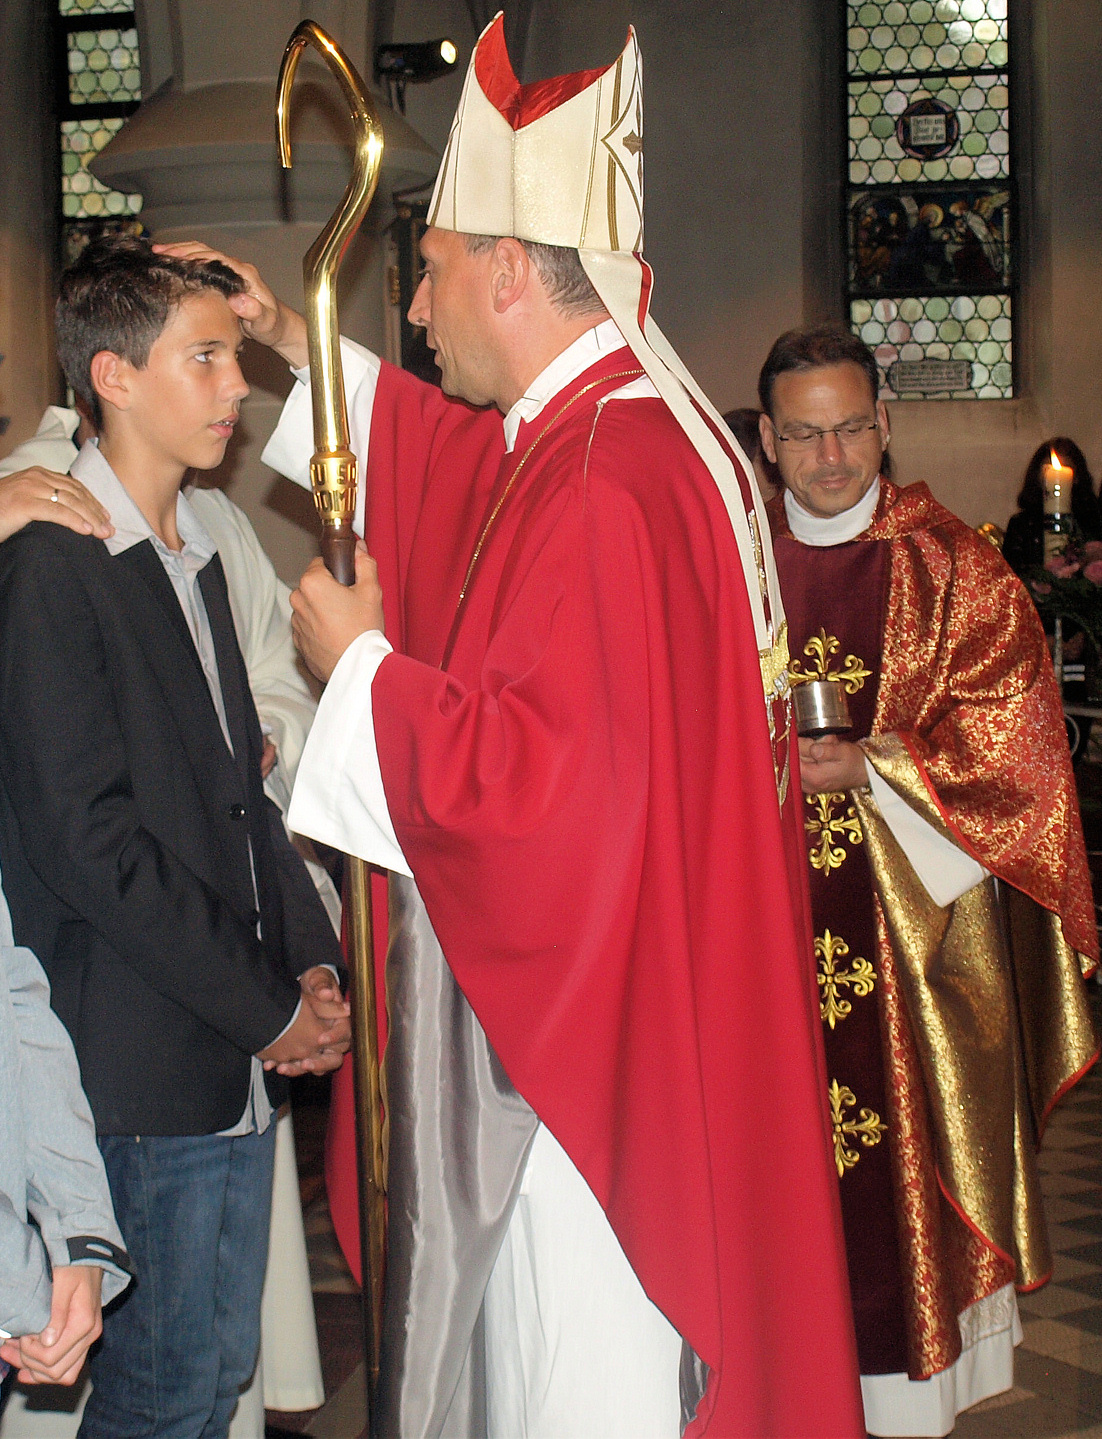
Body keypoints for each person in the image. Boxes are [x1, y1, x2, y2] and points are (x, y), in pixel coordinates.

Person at [165, 18, 865, 1439]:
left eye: (421, 276)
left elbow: (549, 798)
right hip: (647, 1013)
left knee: (582, 1374)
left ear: (503, 267)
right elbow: (449, 463)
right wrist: (296, 343)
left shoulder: (605, 480)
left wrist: (357, 668)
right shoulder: (605, 431)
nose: (414, 313)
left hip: (597, 1082)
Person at [0, 236, 348, 1439]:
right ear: (113, 376)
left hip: (221, 1054)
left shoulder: (196, 556)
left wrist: (309, 960)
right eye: (202, 358)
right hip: (137, 1061)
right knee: (156, 1397)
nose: (234, 384)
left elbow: (238, 795)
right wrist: (264, 1004)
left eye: (234, 357)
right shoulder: (54, 564)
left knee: (210, 1379)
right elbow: (88, 842)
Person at [758, 326, 1099, 1438]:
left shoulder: (951, 563)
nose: (830, 454)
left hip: (914, 947)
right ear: (767, 439)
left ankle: (908, 1405)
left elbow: (1023, 753)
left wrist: (875, 764)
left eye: (850, 424)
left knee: (898, 1187)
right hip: (760, 933)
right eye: (803, 431)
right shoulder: (731, 562)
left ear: (883, 423)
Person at [1001, 436, 1101, 577]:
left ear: (1077, 477)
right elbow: (1012, 573)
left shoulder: (1092, 521)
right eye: (1047, 471)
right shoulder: (1022, 524)